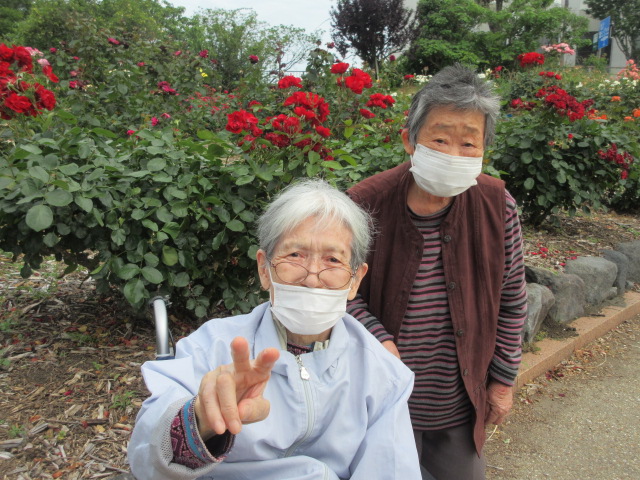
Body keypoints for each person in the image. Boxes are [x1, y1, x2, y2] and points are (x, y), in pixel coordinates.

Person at [128, 179, 422, 480]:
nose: (311, 278)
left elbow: (391, 469)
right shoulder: (211, 348)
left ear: (355, 280)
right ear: (264, 269)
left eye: (333, 260)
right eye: (295, 255)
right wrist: (200, 418)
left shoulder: (383, 374)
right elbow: (145, 457)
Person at [346, 64, 528, 480]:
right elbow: (338, 289)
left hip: (458, 404)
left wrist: (502, 380)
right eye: (440, 138)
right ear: (410, 140)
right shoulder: (363, 204)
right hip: (379, 401)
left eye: (469, 143)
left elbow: (513, 298)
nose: (453, 153)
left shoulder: (497, 206)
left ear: (484, 150)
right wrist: (378, 338)